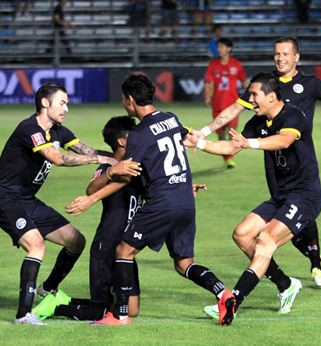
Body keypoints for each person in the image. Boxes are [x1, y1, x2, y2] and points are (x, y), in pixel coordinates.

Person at [195, 36, 321, 289]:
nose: (280, 58)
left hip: (300, 160)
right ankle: (292, 274)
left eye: (285, 54)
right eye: (276, 54)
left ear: (296, 57)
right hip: (275, 163)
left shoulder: (309, 83)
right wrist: (202, 134)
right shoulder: (264, 87)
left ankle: (313, 262)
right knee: (286, 220)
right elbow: (233, 110)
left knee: (294, 217)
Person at [65, 74, 236, 326]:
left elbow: (126, 175)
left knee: (123, 251)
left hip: (162, 202)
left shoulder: (139, 134)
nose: (124, 104)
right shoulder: (170, 118)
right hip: (185, 201)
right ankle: (223, 293)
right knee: (184, 264)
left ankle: (120, 316)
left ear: (131, 100)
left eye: (124, 100)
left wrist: (92, 199)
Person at [0, 82, 140, 324]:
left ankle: (47, 290)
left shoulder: (59, 130)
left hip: (27, 200)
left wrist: (126, 157)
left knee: (75, 241)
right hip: (5, 199)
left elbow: (85, 149)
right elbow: (57, 158)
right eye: (62, 102)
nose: (66, 108)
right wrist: (102, 160)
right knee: (36, 245)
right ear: (45, 103)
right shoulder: (30, 129)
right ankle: (24, 315)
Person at [188, 73, 321, 325]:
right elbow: (231, 147)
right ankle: (286, 284)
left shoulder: (293, 116)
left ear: (271, 97)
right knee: (241, 234)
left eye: (254, 95)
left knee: (266, 240)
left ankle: (232, 303)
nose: (249, 100)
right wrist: (200, 142)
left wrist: (249, 143)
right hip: (282, 196)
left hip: (305, 196)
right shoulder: (257, 122)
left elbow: (284, 141)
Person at [32, 116, 143, 321]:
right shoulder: (108, 167)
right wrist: (111, 172)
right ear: (122, 141)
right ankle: (55, 308)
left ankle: (61, 300)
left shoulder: (138, 163)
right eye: (134, 133)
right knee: (107, 311)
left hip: (127, 247)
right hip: (107, 247)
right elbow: (91, 189)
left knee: (132, 310)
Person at [204, 37, 248, 169]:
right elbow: (208, 82)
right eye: (218, 47)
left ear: (229, 49)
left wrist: (250, 96)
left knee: (231, 132)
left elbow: (245, 82)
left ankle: (229, 157)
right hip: (217, 104)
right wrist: (207, 96)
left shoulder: (236, 65)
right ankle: (226, 155)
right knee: (221, 133)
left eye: (222, 47)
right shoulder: (213, 65)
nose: (219, 49)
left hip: (233, 105)